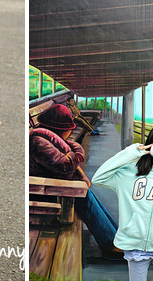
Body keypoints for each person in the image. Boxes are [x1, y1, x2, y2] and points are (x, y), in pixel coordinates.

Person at [91, 122, 153, 280]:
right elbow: (98, 177)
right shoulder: (129, 173)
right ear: (150, 144)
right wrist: (132, 152)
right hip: (135, 245)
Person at [30, 104, 120, 259]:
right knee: (84, 196)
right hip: (42, 192)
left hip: (48, 184)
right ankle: (109, 245)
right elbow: (64, 165)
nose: (71, 133)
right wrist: (77, 151)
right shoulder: (39, 142)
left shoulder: (47, 139)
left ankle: (116, 239)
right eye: (69, 130)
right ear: (61, 130)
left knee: (86, 193)